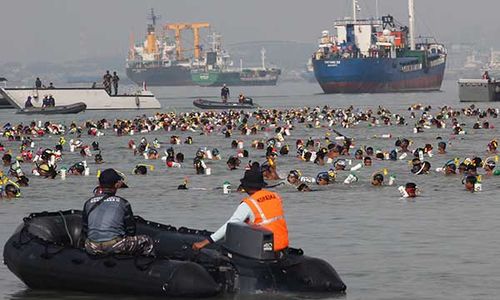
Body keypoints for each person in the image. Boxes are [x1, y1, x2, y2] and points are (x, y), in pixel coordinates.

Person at [192, 163, 289, 252]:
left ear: (245, 187)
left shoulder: (249, 204)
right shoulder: (275, 196)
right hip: (282, 245)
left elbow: (230, 225)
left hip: (264, 249)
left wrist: (205, 242)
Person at [82, 168, 154, 256]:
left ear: (99, 184)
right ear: (117, 185)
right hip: (114, 245)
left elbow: (85, 229)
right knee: (147, 240)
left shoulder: (88, 203)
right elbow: (131, 230)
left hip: (91, 247)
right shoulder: (123, 203)